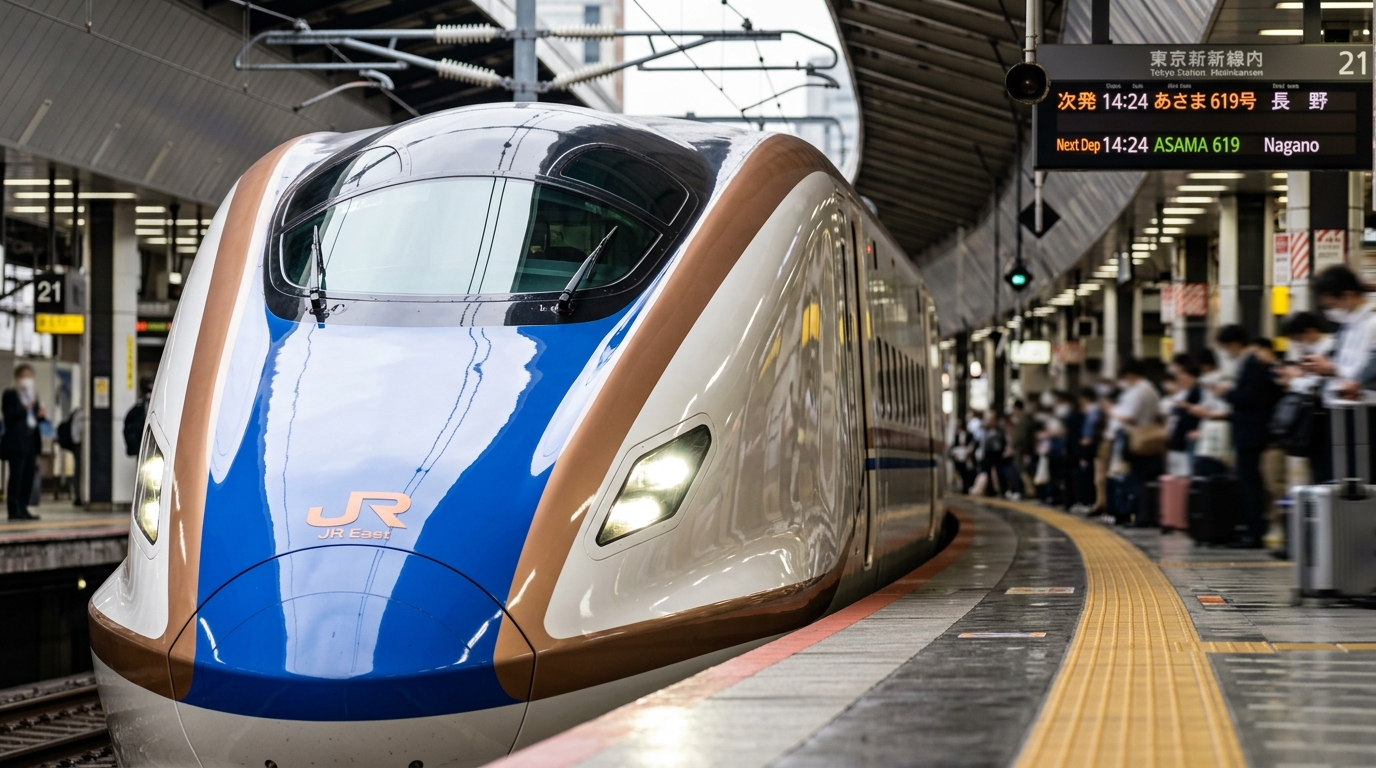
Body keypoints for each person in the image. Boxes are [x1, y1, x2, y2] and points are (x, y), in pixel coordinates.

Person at [1224, 333, 1283, 547]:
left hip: (1253, 435)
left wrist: (1227, 394)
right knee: (1255, 483)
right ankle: (1255, 529)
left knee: (1253, 483)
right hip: (1257, 434)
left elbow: (1247, 397)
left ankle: (1255, 531)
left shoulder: (1255, 367)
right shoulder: (1259, 368)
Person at [1111, 358, 1162, 526]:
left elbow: (1129, 417)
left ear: (1130, 375)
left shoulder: (1137, 392)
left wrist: (1112, 410)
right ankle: (1146, 514)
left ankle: (1140, 516)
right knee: (1146, 479)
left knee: (1135, 478)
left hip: (1136, 438)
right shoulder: (1151, 389)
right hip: (1150, 437)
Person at [1, 365, 44, 520]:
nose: (28, 379)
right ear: (18, 377)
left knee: (28, 476)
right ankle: (13, 510)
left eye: (30, 375)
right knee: (16, 477)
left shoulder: (33, 396)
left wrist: (40, 415)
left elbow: (35, 418)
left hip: (31, 442)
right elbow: (9, 415)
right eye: (25, 375)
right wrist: (25, 408)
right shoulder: (10, 395)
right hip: (16, 444)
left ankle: (24, 507)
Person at [1074, 388, 1103, 513]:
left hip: (1091, 447)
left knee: (1091, 475)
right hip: (1090, 446)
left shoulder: (1093, 411)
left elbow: (1091, 429)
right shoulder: (1092, 410)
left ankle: (1090, 501)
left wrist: (1087, 439)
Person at [123, 376, 153, 456]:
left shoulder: (161, 407)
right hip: (142, 450)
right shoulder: (137, 410)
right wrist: (136, 448)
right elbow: (131, 430)